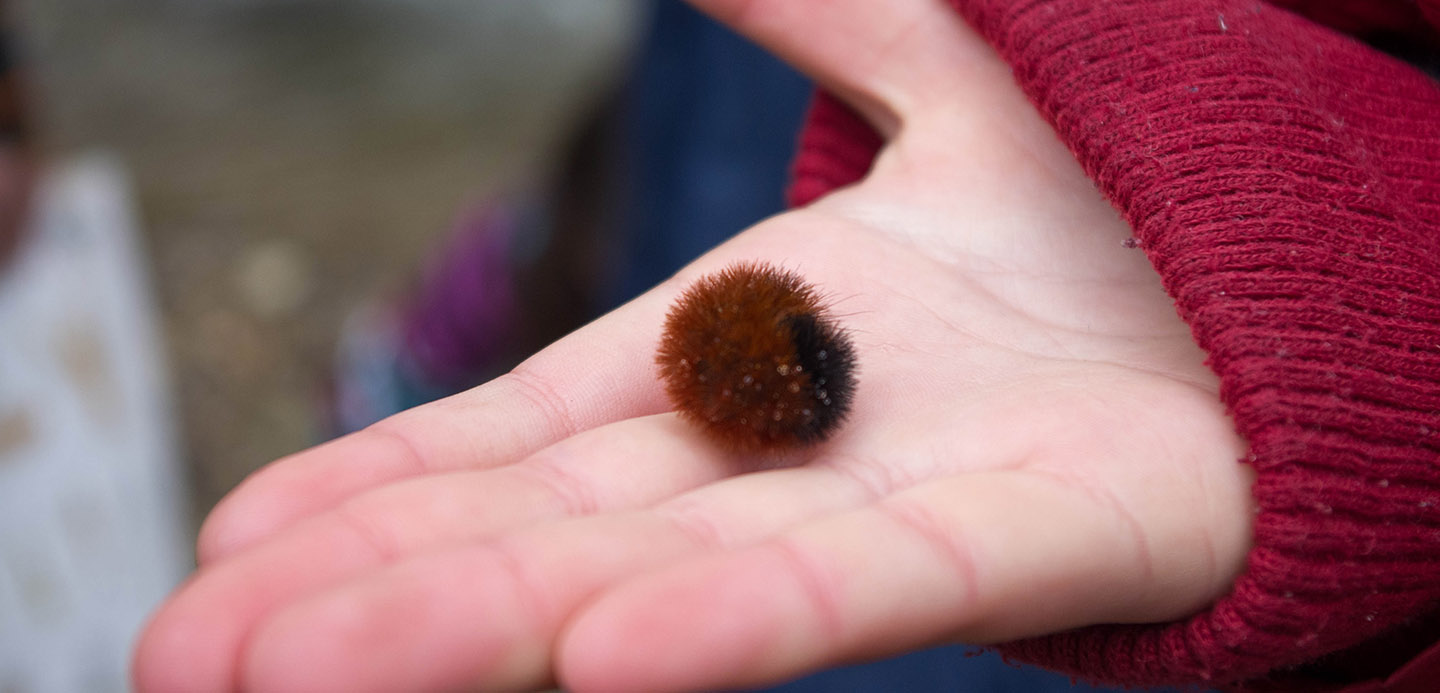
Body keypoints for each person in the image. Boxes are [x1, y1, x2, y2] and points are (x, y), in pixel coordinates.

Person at [131, 1, 1440, 692]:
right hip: (998, 73)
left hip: (1227, 142)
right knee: (686, 188)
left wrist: (1363, 296)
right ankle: (532, 259)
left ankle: (506, 281)